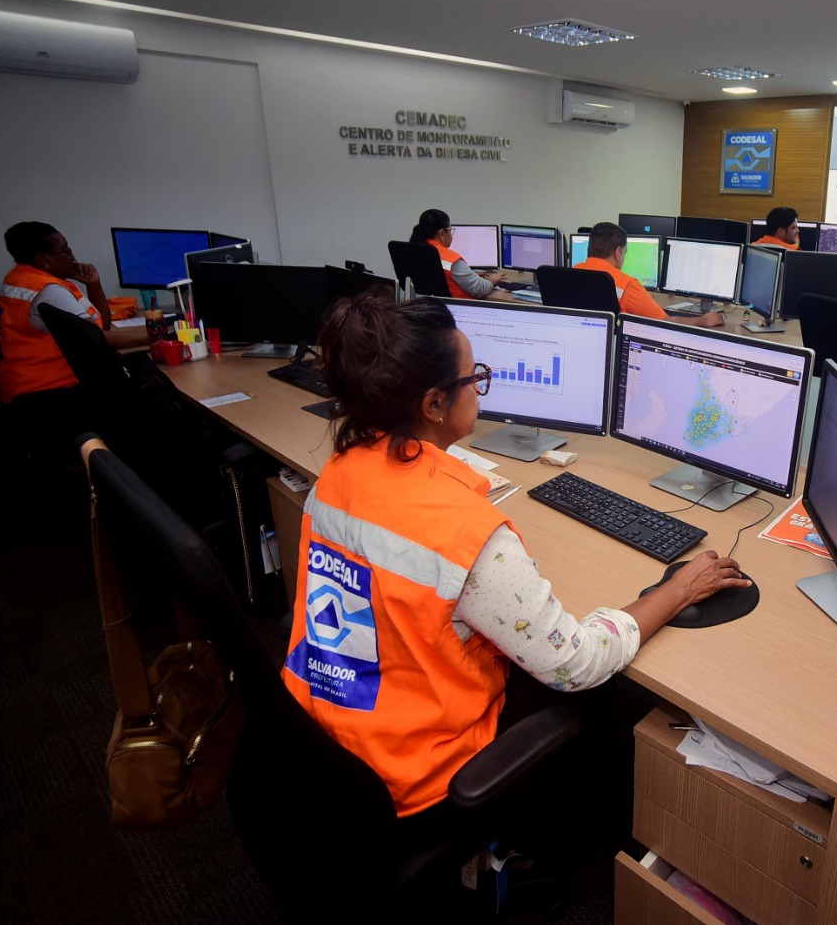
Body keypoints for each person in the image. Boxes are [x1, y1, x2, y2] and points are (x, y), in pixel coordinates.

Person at [281, 292, 747, 820]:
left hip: (323, 721)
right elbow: (577, 663)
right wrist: (678, 589)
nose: (481, 387)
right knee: (602, 694)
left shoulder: (339, 472)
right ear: (434, 405)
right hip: (412, 769)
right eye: (473, 377)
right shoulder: (465, 532)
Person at [0, 221, 147, 406]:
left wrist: (93, 284)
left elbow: (100, 327)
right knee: (144, 391)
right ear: (42, 259)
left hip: (17, 386)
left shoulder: (19, 277)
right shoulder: (48, 290)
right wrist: (166, 332)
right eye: (66, 251)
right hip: (45, 392)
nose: (73, 258)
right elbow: (97, 338)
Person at [575, 222, 726, 327]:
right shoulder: (627, 285)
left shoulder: (572, 273)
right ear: (618, 253)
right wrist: (704, 320)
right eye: (625, 252)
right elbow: (666, 322)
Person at [410, 208, 515, 301]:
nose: (451, 234)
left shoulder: (418, 250)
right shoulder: (450, 259)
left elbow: (439, 276)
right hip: (461, 308)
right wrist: (493, 279)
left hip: (430, 307)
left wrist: (471, 274)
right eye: (450, 230)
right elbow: (480, 289)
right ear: (442, 233)